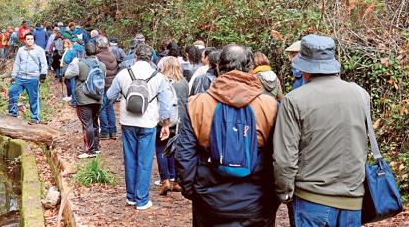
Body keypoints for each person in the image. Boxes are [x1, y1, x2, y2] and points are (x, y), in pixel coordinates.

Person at [175, 44, 280, 226]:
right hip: (257, 201)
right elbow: (278, 155)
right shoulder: (269, 105)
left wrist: (191, 189)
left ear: (218, 67)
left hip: (209, 200)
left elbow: (185, 153)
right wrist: (273, 195)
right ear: (250, 69)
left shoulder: (197, 104)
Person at [273, 35, 368, 227]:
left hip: (312, 197)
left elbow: (285, 157)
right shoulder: (360, 95)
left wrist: (285, 192)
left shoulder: (294, 100)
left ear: (304, 67)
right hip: (353, 197)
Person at [106, 43, 172, 210]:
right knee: (145, 161)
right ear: (150, 58)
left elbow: (109, 95)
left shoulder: (123, 74)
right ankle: (142, 199)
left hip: (128, 122)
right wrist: (166, 125)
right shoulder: (158, 77)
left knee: (130, 159)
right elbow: (165, 105)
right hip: (148, 123)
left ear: (135, 56)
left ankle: (131, 197)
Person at [64, 43, 106, 159]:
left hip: (84, 98)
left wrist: (74, 62)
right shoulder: (101, 65)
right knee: (94, 123)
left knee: (87, 124)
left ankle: (89, 150)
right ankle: (96, 148)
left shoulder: (80, 64)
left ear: (85, 52)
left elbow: (67, 75)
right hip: (97, 97)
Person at [155, 56, 189, 195]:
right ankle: (176, 180)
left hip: (165, 120)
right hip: (181, 121)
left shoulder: (161, 82)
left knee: (162, 149)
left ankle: (165, 180)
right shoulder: (184, 82)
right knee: (176, 150)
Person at [8, 32, 48, 125]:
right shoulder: (21, 50)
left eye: (32, 39)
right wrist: (14, 75)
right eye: (28, 39)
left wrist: (43, 75)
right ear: (24, 41)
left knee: (33, 98)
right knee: (12, 91)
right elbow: (17, 63)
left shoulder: (39, 50)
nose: (30, 41)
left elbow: (44, 64)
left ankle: (35, 118)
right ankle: (12, 113)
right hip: (20, 77)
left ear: (34, 40)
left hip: (33, 78)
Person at [96, 37, 118, 140]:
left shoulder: (98, 57)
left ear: (98, 45)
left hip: (103, 86)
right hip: (111, 86)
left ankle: (105, 131)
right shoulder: (112, 55)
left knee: (102, 109)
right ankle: (113, 131)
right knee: (110, 108)